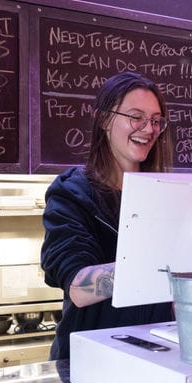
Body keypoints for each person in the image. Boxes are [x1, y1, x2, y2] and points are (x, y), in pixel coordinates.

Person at [41, 71, 175, 360]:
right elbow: (77, 284)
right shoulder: (72, 192)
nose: (148, 128)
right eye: (135, 116)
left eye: (155, 120)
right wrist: (167, 267)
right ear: (104, 120)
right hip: (92, 359)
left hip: (159, 353)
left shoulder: (168, 193)